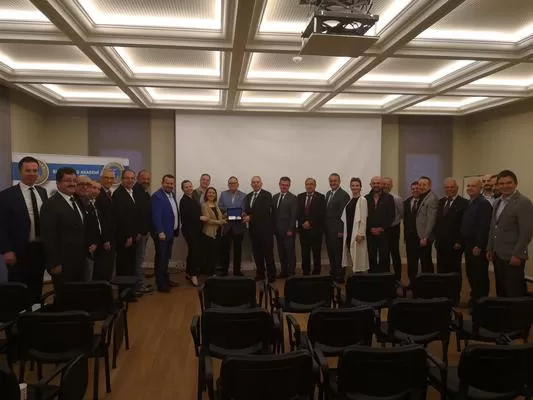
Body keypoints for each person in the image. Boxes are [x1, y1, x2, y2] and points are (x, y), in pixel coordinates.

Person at [0, 156, 48, 303]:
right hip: (18, 251)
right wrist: (6, 250)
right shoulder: (7, 195)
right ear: (20, 172)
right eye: (28, 170)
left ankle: (36, 312)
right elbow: (2, 225)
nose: (32, 174)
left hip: (40, 249)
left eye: (35, 170)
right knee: (18, 289)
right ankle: (19, 315)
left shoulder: (42, 192)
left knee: (37, 285)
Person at [40, 167, 93, 286]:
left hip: (80, 260)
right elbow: (48, 236)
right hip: (62, 263)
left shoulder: (77, 200)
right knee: (65, 295)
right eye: (67, 181)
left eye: (74, 180)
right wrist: (54, 263)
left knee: (79, 292)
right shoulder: (50, 205)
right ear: (58, 183)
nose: (72, 184)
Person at [487, 170, 533, 297]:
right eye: (501, 183)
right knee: (501, 288)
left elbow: (526, 232)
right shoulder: (497, 202)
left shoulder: (523, 202)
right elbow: (493, 227)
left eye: (508, 183)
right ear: (497, 185)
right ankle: (503, 310)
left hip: (513, 255)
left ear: (516, 184)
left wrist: (517, 254)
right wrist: (490, 248)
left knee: (514, 290)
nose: (505, 186)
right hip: (498, 254)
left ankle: (518, 311)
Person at [461, 177, 492, 309]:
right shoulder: (471, 202)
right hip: (468, 244)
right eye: (468, 186)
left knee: (479, 275)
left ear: (480, 188)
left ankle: (481, 303)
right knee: (471, 273)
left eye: (473, 186)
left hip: (477, 245)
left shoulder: (483, 204)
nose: (470, 188)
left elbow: (485, 227)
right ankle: (475, 298)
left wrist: (479, 245)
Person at [434, 178, 468, 286]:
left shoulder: (464, 203)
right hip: (441, 243)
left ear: (457, 188)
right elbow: (438, 222)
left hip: (455, 244)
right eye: (447, 187)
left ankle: (454, 294)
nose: (449, 189)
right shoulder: (441, 201)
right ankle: (442, 292)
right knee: (441, 270)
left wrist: (460, 241)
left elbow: (465, 224)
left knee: (454, 272)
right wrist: (436, 239)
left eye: (452, 187)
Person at [151, 175, 180, 293]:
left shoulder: (172, 195)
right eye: (167, 183)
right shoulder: (157, 196)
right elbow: (156, 216)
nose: (169, 185)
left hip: (170, 232)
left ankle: (165, 279)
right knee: (161, 259)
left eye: (171, 183)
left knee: (166, 258)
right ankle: (160, 283)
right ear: (162, 183)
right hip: (162, 234)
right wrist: (160, 231)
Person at [243, 176, 276, 282]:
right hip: (253, 231)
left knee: (268, 255)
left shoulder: (267, 195)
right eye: (253, 182)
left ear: (261, 184)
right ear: (251, 184)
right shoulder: (248, 196)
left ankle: (271, 275)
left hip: (266, 231)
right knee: (257, 255)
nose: (255, 184)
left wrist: (250, 217)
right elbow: (249, 210)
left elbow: (264, 211)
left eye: (257, 182)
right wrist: (245, 214)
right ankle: (260, 274)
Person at [365, 176, 395, 273]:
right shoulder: (365, 198)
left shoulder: (389, 198)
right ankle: (372, 277)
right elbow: (364, 217)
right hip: (370, 233)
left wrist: (382, 228)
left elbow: (391, 216)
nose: (376, 185)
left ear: (382, 184)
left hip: (384, 233)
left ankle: (384, 278)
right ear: (370, 185)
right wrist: (370, 228)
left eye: (378, 183)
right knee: (371, 257)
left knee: (384, 257)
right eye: (374, 183)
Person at [218, 176, 246, 276]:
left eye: (234, 183)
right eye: (230, 183)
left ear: (238, 184)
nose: (232, 185)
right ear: (228, 185)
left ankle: (237, 271)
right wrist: (234, 211)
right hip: (227, 226)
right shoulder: (223, 194)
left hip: (239, 226)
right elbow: (220, 207)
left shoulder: (244, 195)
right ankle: (224, 271)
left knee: (238, 250)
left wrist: (228, 212)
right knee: (225, 250)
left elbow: (243, 210)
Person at [297, 178, 326, 276]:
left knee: (316, 253)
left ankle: (316, 272)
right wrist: (303, 222)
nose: (309, 186)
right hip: (303, 231)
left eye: (311, 184)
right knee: (304, 253)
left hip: (316, 231)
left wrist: (310, 223)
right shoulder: (300, 196)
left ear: (315, 186)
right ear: (305, 185)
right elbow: (298, 212)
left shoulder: (321, 197)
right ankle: (306, 272)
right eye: (307, 184)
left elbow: (321, 213)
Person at [133, 169, 156, 294]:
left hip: (144, 232)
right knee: (138, 259)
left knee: (140, 259)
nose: (146, 181)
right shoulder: (135, 192)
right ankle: (138, 286)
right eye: (144, 178)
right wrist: (139, 232)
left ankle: (139, 284)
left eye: (148, 179)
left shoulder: (144, 192)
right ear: (138, 178)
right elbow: (136, 214)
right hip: (139, 233)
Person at [325, 173, 350, 282]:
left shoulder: (344, 195)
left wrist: (341, 230)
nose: (332, 183)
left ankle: (340, 276)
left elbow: (344, 215)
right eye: (331, 181)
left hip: (338, 230)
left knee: (338, 254)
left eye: (335, 181)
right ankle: (334, 272)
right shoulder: (328, 194)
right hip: (328, 230)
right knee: (331, 253)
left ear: (339, 181)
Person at [113, 170, 138, 278]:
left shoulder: (130, 192)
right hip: (124, 237)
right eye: (127, 178)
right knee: (124, 265)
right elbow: (120, 217)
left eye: (132, 178)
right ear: (122, 179)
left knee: (130, 264)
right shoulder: (119, 194)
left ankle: (129, 286)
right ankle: (124, 288)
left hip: (131, 235)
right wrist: (128, 236)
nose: (130, 180)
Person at [341, 178, 369, 275]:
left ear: (360, 187)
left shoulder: (362, 200)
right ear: (350, 187)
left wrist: (361, 233)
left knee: (358, 258)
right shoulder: (351, 200)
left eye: (357, 185)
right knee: (353, 256)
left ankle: (359, 279)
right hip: (349, 232)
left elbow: (364, 218)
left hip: (357, 234)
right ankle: (355, 277)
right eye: (353, 185)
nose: (355, 187)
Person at [86, 180, 113, 282]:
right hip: (90, 246)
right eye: (94, 188)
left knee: (101, 272)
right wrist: (92, 242)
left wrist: (106, 239)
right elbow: (87, 227)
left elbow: (101, 224)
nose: (96, 191)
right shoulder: (84, 204)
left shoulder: (95, 203)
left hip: (100, 243)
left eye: (98, 189)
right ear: (87, 188)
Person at [179, 180, 204, 287]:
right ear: (183, 189)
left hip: (196, 229)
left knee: (192, 251)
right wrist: (200, 217)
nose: (189, 188)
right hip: (189, 230)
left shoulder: (193, 198)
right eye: (186, 187)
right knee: (195, 252)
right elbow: (187, 216)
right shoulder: (183, 201)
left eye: (190, 186)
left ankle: (189, 272)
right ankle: (193, 275)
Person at [272, 177, 298, 278]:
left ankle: (291, 273)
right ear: (279, 184)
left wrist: (290, 229)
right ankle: (284, 272)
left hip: (288, 231)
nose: (284, 186)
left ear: (289, 186)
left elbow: (293, 215)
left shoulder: (293, 198)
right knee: (281, 252)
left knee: (290, 253)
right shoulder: (275, 197)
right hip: (277, 231)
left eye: (286, 185)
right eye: (282, 184)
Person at [94, 168, 116, 281]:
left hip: (111, 237)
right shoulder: (98, 193)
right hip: (103, 239)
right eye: (106, 177)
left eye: (111, 178)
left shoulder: (109, 193)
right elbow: (100, 219)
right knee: (102, 269)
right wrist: (105, 239)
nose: (109, 180)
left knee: (108, 267)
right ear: (101, 178)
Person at [415, 176, 439, 273]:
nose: (421, 187)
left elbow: (431, 220)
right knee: (424, 260)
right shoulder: (423, 196)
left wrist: (425, 237)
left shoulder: (432, 198)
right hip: (421, 235)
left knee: (426, 262)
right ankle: (426, 279)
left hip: (425, 236)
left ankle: (429, 280)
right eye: (420, 184)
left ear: (430, 185)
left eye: (424, 185)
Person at [381, 177, 403, 281]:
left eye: (388, 184)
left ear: (391, 186)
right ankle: (386, 276)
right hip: (383, 230)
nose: (386, 186)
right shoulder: (379, 198)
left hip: (394, 229)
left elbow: (402, 213)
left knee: (395, 254)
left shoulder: (396, 199)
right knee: (384, 253)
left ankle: (398, 277)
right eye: (384, 184)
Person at [201, 187, 226, 277]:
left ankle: (213, 272)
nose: (211, 194)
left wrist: (226, 216)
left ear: (215, 195)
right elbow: (207, 220)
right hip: (209, 233)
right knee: (209, 253)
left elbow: (219, 217)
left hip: (218, 232)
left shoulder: (216, 204)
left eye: (213, 193)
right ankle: (209, 273)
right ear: (206, 194)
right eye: (209, 192)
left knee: (215, 253)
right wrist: (220, 222)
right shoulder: (204, 205)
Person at [403, 181, 421, 283]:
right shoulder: (406, 202)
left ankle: (426, 285)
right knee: (411, 262)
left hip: (422, 237)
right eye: (413, 189)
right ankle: (412, 282)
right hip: (410, 238)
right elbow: (406, 220)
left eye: (417, 188)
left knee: (425, 261)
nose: (415, 190)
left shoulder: (425, 201)